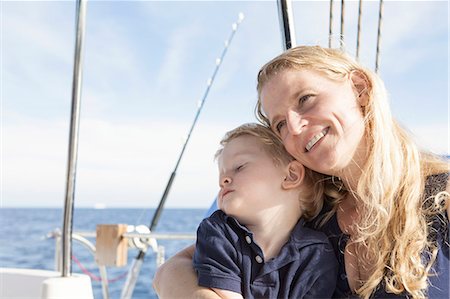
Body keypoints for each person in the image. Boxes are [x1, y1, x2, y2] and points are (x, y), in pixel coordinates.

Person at [153, 45, 450, 299]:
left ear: (359, 88)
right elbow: (171, 271)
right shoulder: (312, 212)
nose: (295, 127)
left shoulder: (443, 198)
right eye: (280, 124)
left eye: (305, 99)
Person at [193, 123, 337, 299]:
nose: (223, 180)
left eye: (239, 167)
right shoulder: (217, 232)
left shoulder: (318, 254)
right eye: (221, 175)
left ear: (291, 175)